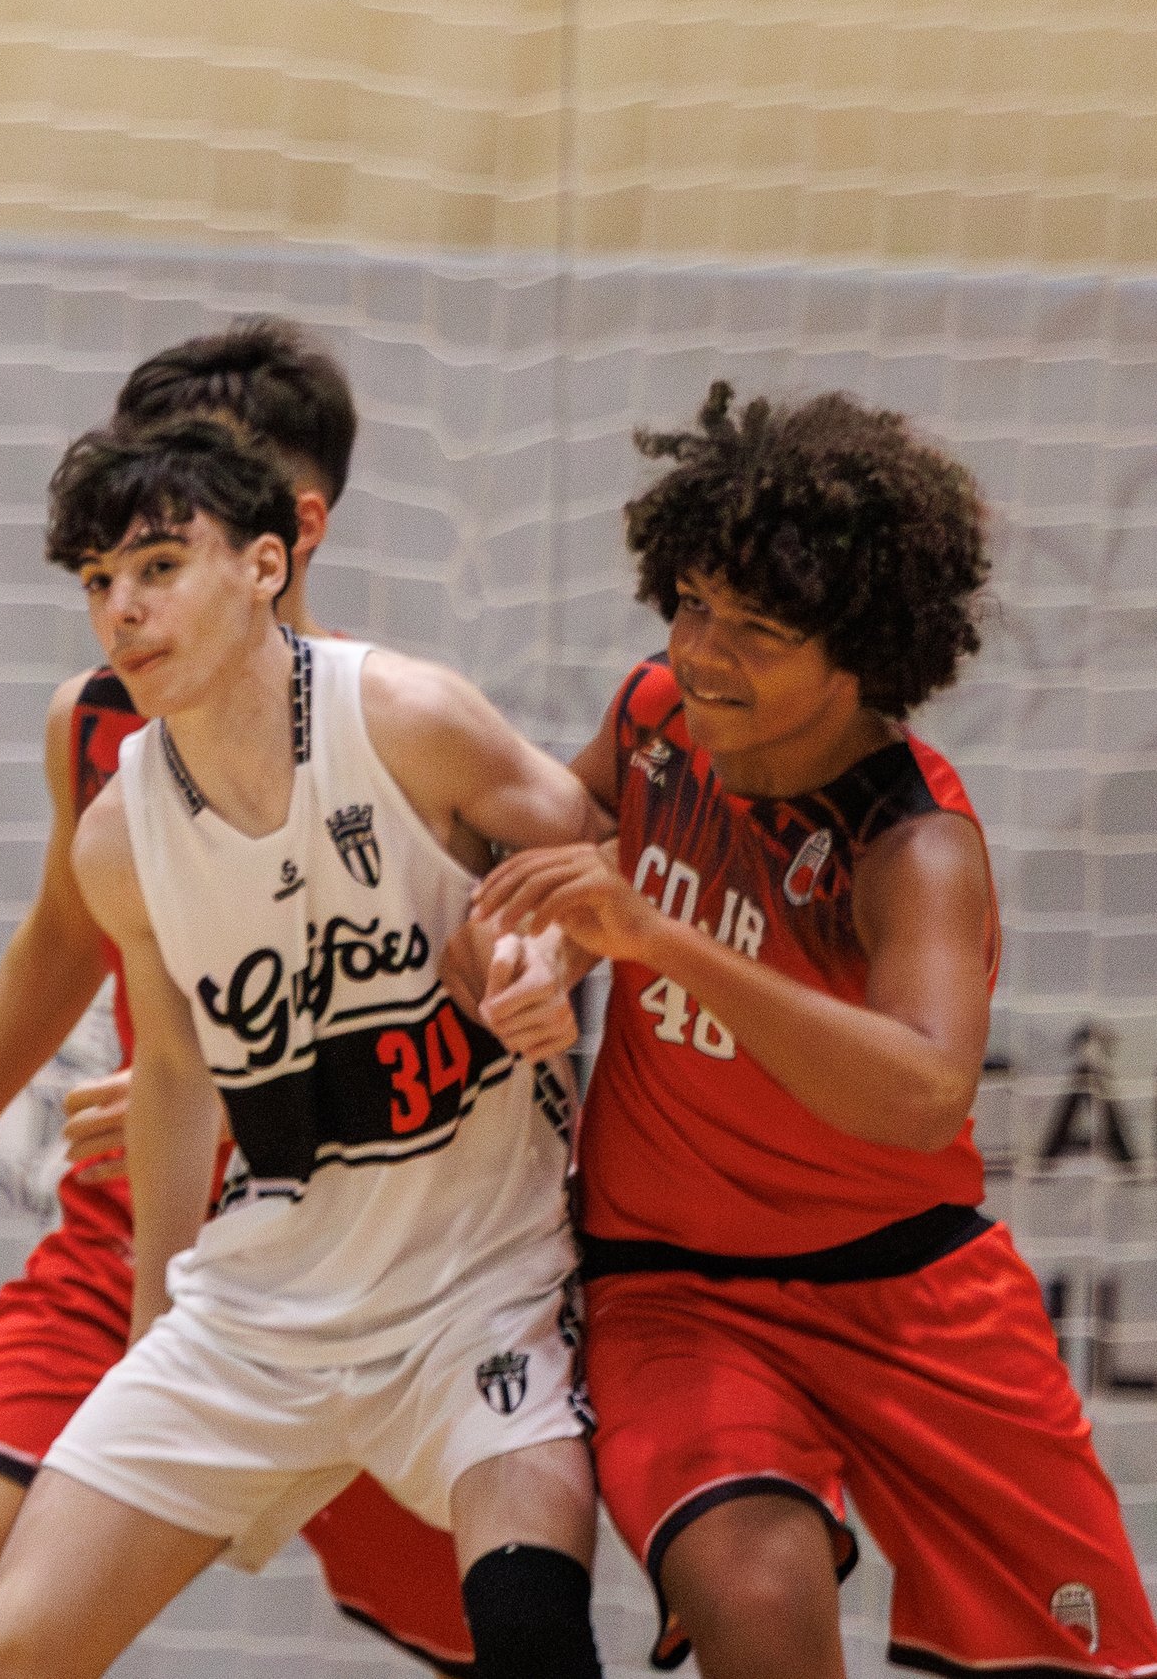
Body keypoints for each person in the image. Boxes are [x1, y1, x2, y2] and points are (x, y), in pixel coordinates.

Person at [0, 320, 487, 1676]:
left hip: (373, 1248)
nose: (143, 548)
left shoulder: (397, 723)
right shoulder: (96, 724)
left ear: (284, 532)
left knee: (501, 1627)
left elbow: (528, 972)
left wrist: (259, 1087)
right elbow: (58, 943)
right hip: (143, 1243)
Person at [471, 383, 1157, 1679]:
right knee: (759, 1595)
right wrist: (529, 954)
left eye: (758, 628)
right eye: (689, 603)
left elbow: (923, 1091)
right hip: (673, 1289)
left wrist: (660, 940)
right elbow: (551, 869)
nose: (704, 651)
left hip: (913, 1291)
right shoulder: (654, 719)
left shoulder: (916, 846)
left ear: (864, 654)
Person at [0, 416, 605, 1679]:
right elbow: (182, 1070)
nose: (123, 609)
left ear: (262, 562)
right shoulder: (116, 838)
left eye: (156, 566)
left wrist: (550, 957)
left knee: (531, 1643)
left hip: (480, 1296)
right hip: (260, 1310)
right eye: (97, 583)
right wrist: (151, 1318)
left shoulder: (405, 714)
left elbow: (607, 854)